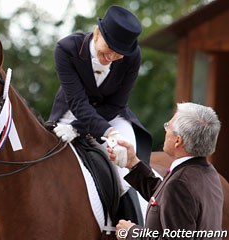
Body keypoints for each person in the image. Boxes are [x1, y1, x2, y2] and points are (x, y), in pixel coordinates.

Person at [48, 5, 152, 225]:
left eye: (119, 52)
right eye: (110, 47)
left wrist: (100, 130)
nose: (113, 56)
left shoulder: (132, 57)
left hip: (111, 115)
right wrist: (80, 127)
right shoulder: (66, 49)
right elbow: (78, 102)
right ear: (97, 33)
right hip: (71, 112)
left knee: (125, 166)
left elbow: (116, 103)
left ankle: (129, 227)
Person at [107, 102, 224, 240]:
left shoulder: (179, 184)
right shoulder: (209, 173)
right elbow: (166, 200)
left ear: (178, 141)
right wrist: (133, 163)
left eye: (168, 126)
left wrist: (133, 233)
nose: (165, 129)